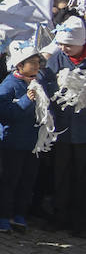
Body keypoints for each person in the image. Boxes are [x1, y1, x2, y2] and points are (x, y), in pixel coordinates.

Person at [0, 41, 52, 233]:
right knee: (10, 181)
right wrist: (27, 100)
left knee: (28, 181)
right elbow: (6, 114)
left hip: (33, 143)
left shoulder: (39, 81)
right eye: (32, 63)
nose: (36, 66)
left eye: (37, 62)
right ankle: (3, 215)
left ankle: (20, 214)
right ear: (20, 65)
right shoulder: (9, 85)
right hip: (13, 143)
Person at [43, 17, 86, 233]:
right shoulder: (59, 57)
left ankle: (80, 220)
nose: (63, 48)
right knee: (60, 173)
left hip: (83, 131)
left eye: (68, 44)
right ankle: (59, 215)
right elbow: (46, 80)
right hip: (62, 128)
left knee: (82, 176)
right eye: (61, 44)